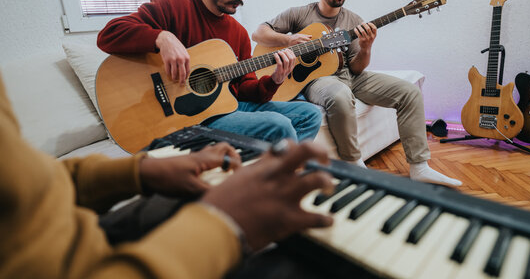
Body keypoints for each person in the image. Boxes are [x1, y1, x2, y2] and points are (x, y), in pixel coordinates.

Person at [0, 72, 334, 278]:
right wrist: (222, 221)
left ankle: (275, 186)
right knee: (326, 263)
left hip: (76, 229)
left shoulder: (230, 27)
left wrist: (139, 170)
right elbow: (115, 33)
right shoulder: (174, 9)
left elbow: (28, 181)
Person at [252, 0, 462, 187]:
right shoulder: (299, 14)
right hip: (318, 79)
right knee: (340, 94)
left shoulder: (353, 21)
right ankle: (353, 163)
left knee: (409, 92)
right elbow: (259, 33)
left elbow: (356, 68)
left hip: (350, 75)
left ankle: (420, 167)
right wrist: (289, 39)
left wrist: (366, 47)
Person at [97, 0, 322, 144]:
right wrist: (162, 37)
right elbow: (109, 34)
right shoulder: (175, 7)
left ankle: (271, 173)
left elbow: (244, 90)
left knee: (310, 115)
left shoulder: (238, 33)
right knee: (278, 125)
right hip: (192, 118)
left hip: (226, 106)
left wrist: (275, 79)